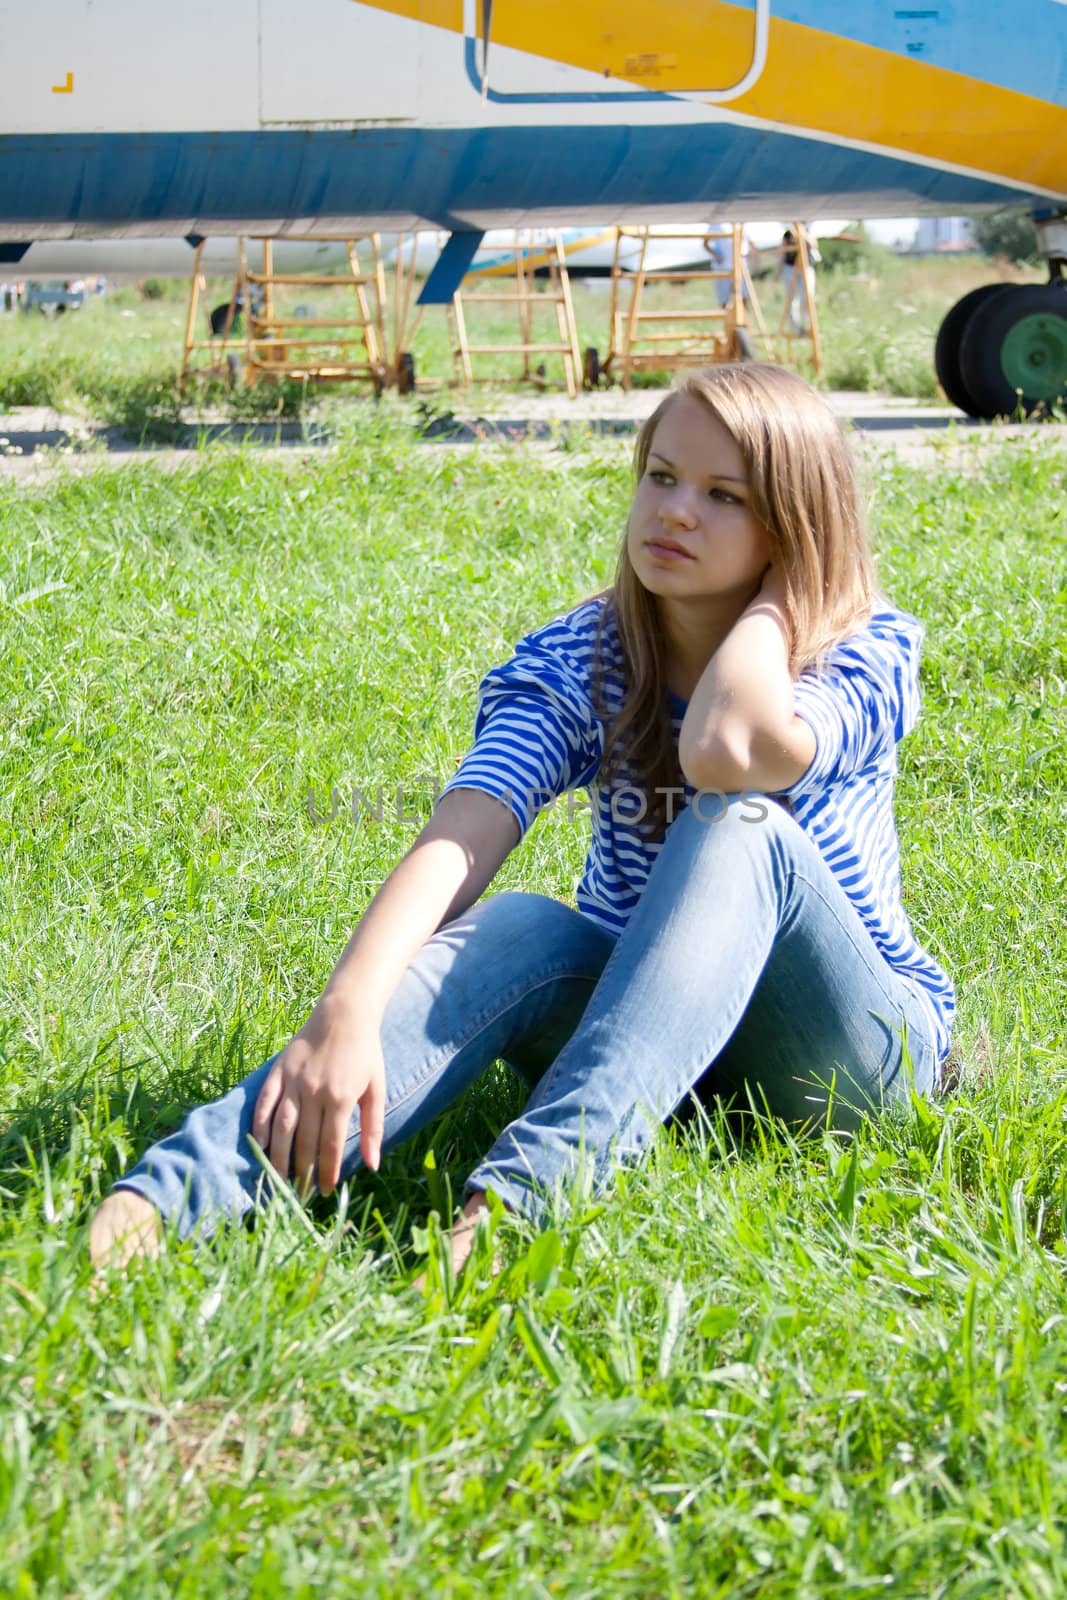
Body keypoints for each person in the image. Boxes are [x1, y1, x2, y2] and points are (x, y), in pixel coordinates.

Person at [90, 364, 955, 1275]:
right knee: (519, 921)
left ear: (793, 525)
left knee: (736, 826)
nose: (673, 512)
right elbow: (468, 826)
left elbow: (727, 749)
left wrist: (785, 599)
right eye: (660, 476)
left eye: (723, 495)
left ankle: (519, 1209)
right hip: (652, 1048)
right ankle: (174, 1198)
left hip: (844, 1060)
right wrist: (345, 1008)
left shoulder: (860, 646)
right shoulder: (587, 652)